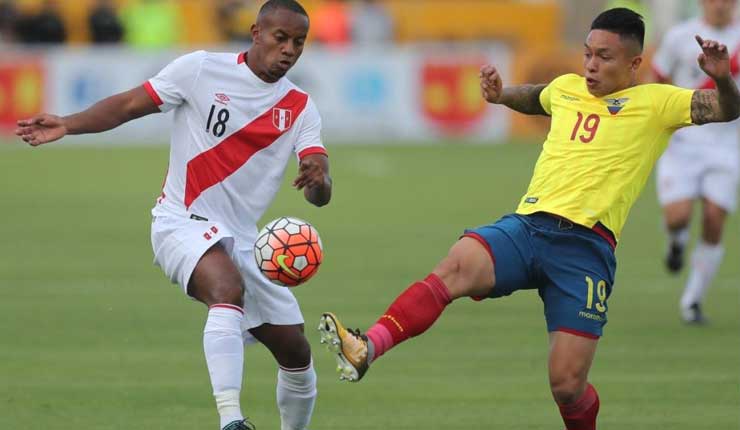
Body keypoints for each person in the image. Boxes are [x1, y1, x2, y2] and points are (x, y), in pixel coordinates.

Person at [318, 8, 739, 430]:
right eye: (588, 53)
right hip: (528, 226)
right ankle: (367, 347)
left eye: (605, 57)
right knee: (456, 264)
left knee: (567, 385)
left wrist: (722, 77)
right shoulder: (568, 88)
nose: (591, 65)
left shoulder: (657, 102)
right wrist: (502, 94)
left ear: (634, 63)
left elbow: (725, 109)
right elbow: (539, 96)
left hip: (586, 250)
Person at [15, 1, 330, 430]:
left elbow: (319, 192)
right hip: (181, 221)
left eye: (299, 42)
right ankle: (231, 420)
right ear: (256, 33)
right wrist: (68, 124)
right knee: (226, 289)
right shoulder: (201, 70)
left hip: (242, 238)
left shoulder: (300, 107)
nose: (290, 50)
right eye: (281, 38)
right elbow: (129, 104)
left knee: (296, 353)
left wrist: (318, 179)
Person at [652, 0, 740, 324]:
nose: (721, 5)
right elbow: (659, 76)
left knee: (715, 218)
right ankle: (676, 240)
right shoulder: (680, 36)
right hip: (682, 142)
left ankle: (692, 300)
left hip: (727, 144)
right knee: (678, 216)